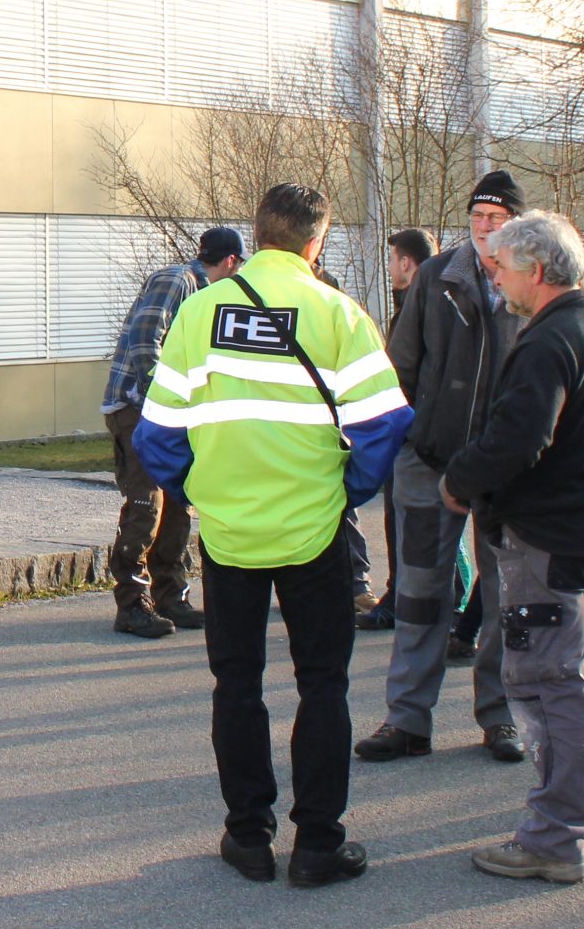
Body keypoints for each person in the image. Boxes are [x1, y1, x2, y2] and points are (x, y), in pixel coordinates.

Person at [135, 184, 410, 889]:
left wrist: (204, 491)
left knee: (237, 683)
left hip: (228, 534)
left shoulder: (200, 313)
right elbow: (384, 424)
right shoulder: (339, 314)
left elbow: (156, 435)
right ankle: (319, 843)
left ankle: (247, 835)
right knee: (323, 684)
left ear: (256, 237)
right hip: (315, 531)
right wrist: (345, 490)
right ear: (317, 242)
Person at [436, 212, 584, 886]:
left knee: (549, 684)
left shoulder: (549, 340)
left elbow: (518, 438)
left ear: (537, 268)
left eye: (500, 264)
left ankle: (556, 835)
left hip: (549, 538)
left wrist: (460, 482)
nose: (492, 274)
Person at [366, 171, 529, 765]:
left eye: (497, 218)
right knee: (418, 595)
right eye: (478, 217)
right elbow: (399, 370)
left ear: (516, 223)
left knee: (507, 600)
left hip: (504, 474)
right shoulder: (438, 278)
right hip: (429, 465)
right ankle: (407, 719)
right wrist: (405, 446)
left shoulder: (531, 281)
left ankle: (501, 716)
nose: (485, 228)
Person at [100, 228, 245, 639]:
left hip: (174, 413)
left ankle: (171, 596)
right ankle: (131, 603)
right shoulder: (177, 280)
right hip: (137, 408)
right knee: (147, 505)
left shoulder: (207, 298)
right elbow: (146, 340)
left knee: (180, 502)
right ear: (230, 262)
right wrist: (164, 399)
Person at [359, 229, 438, 630]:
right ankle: (403, 594)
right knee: (408, 520)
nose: (389, 267)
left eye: (391, 259)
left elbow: (406, 371)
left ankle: (422, 600)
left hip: (416, 431)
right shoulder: (413, 301)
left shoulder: (426, 303)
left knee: (420, 521)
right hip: (409, 427)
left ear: (406, 263)